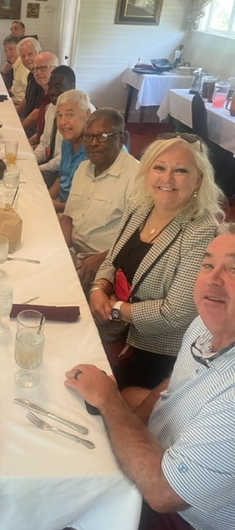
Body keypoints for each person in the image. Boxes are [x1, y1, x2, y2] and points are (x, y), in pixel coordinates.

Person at [65, 225, 235, 530]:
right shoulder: (205, 323)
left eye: (234, 269)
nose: (213, 279)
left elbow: (162, 493)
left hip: (190, 527)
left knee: (66, 508)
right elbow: (175, 380)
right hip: (169, 457)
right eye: (208, 264)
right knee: (116, 404)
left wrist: (109, 401)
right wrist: (132, 415)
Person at [90, 133, 223, 389]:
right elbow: (111, 261)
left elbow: (174, 314)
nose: (167, 178)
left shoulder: (202, 231)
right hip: (113, 326)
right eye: (159, 167)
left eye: (180, 170)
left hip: (156, 351)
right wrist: (98, 288)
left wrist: (114, 309)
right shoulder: (139, 207)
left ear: (198, 180)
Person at [60, 108, 139, 292]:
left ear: (120, 139)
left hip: (107, 265)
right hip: (75, 254)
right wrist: (60, 248)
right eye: (88, 136)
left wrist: (105, 259)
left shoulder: (136, 177)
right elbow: (68, 217)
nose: (94, 143)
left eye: (103, 136)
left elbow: (138, 241)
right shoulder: (83, 168)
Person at [48, 89, 91, 213]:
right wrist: (46, 199)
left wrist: (58, 207)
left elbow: (91, 203)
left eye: (70, 115)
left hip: (78, 214)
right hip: (63, 206)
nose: (63, 122)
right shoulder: (67, 142)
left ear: (87, 114)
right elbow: (63, 178)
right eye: (59, 115)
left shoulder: (94, 149)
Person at [34, 66, 76, 168]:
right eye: (50, 86)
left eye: (58, 86)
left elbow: (65, 157)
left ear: (72, 87)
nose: (51, 91)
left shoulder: (80, 113)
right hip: (50, 164)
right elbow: (44, 143)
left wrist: (40, 168)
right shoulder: (51, 107)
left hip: (66, 169)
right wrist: (33, 159)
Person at [28, 51, 59, 141]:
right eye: (35, 68)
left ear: (56, 69)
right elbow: (43, 131)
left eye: (44, 68)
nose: (38, 72)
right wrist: (29, 142)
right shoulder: (43, 92)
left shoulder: (57, 97)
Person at [15, 37, 43, 130]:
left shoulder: (43, 78)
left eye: (30, 54)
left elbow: (37, 114)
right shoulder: (31, 74)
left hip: (35, 127)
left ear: (39, 53)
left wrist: (19, 128)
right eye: (23, 56)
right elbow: (26, 99)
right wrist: (14, 114)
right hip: (26, 118)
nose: (26, 58)